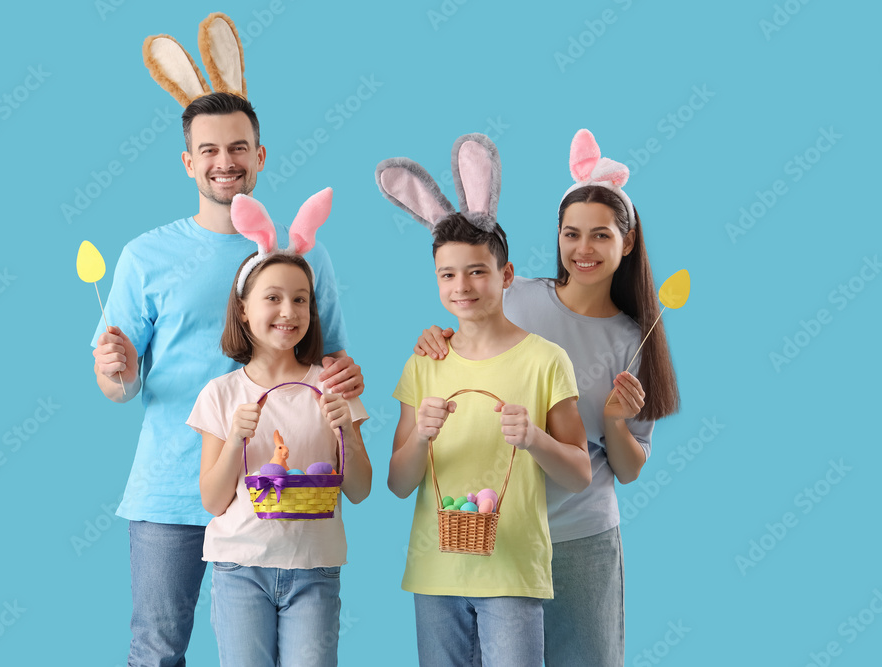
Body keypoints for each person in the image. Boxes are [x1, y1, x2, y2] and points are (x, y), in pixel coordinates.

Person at [91, 93, 363, 667]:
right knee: (157, 651)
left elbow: (330, 360)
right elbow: (119, 385)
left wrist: (348, 376)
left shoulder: (301, 254)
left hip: (276, 494)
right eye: (208, 150)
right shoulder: (144, 256)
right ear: (188, 162)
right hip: (171, 492)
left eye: (239, 147)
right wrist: (118, 373)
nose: (225, 161)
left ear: (260, 156)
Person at [414, 129, 680, 666]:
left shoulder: (634, 340)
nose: (584, 249)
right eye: (571, 234)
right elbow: (469, 333)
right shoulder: (518, 297)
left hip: (577, 539)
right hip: (499, 534)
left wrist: (617, 422)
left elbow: (629, 469)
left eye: (601, 235)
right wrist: (434, 340)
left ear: (627, 242)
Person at [376, 134, 589, 667]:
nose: (462, 286)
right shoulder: (425, 361)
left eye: (477, 271)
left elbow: (580, 473)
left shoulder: (546, 361)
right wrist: (421, 437)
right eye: (447, 274)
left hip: (512, 571)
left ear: (506, 275)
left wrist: (535, 439)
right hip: (437, 573)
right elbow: (397, 484)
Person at [186, 189, 371, 667]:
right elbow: (212, 500)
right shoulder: (220, 394)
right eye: (273, 298)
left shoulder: (332, 386)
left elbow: (359, 490)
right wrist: (235, 441)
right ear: (243, 309)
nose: (289, 312)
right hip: (239, 567)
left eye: (300, 300)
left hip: (314, 569)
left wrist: (347, 432)